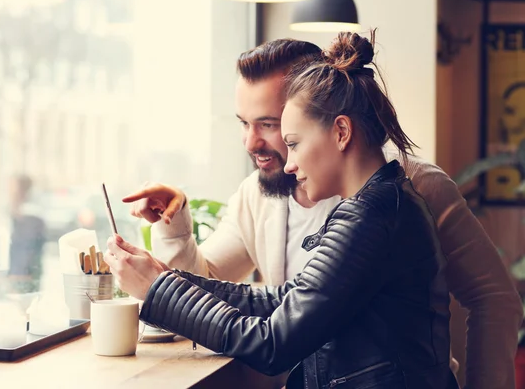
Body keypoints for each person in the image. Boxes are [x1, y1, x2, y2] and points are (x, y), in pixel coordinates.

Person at [123, 38, 522, 387]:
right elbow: (264, 298)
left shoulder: (399, 195)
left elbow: (493, 298)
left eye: (272, 125)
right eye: (244, 123)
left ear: (332, 121)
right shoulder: (258, 195)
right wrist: (167, 259)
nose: (251, 142)